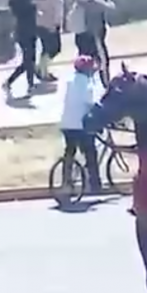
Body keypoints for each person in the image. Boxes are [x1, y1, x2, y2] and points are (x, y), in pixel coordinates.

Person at [60, 56, 102, 193]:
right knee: (90, 152)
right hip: (81, 124)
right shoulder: (87, 84)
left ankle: (66, 182)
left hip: (67, 123)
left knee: (70, 151)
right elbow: (91, 104)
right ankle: (94, 184)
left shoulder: (69, 81)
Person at [68, 0, 115, 88]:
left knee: (84, 62)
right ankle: (105, 84)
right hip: (94, 36)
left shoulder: (81, 0)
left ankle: (84, 85)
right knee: (102, 61)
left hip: (82, 36)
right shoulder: (93, 2)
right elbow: (111, 7)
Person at [3, 0, 40, 96]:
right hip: (25, 34)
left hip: (27, 33)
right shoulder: (23, 3)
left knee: (29, 61)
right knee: (29, 61)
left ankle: (10, 82)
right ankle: (30, 85)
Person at [35, 0, 64, 82]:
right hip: (50, 24)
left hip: (40, 24)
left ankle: (43, 70)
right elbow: (57, 8)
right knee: (54, 49)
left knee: (46, 49)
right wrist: (57, 24)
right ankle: (42, 71)